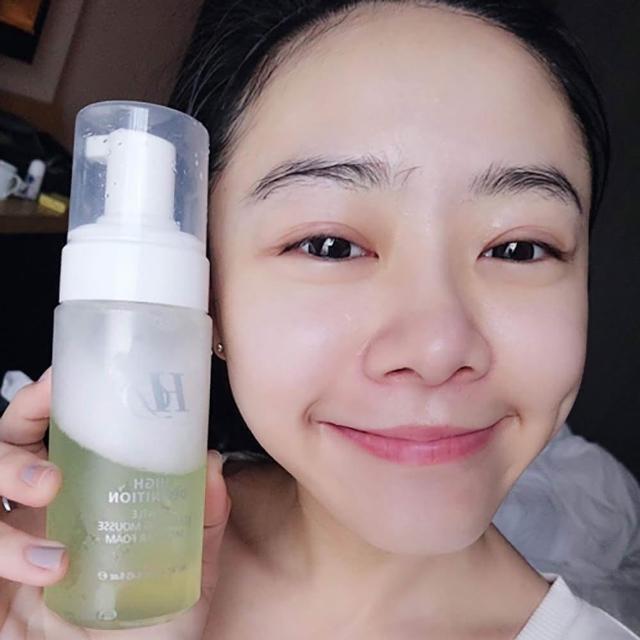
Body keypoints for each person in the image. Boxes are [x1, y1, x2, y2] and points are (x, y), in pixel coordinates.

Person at [0, 1, 638, 637]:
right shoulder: (53, 558)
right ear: (208, 294)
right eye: (329, 246)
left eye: (519, 248)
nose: (438, 348)